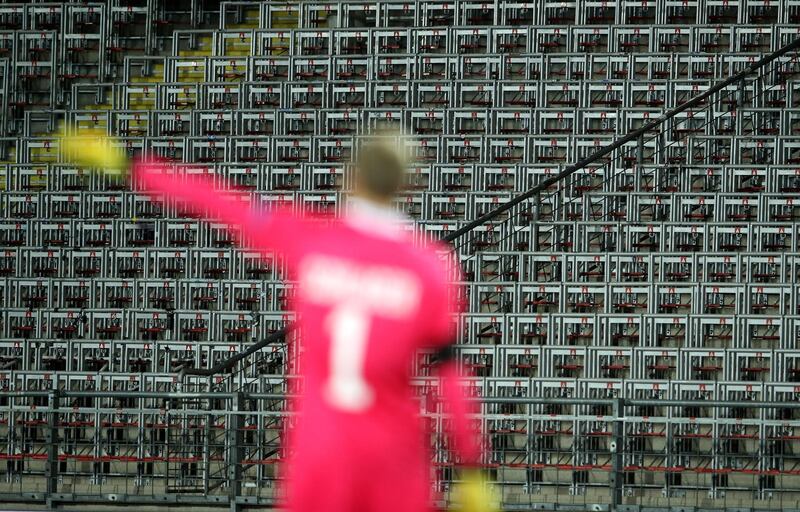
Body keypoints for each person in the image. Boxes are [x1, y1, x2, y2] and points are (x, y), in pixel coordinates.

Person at [60, 128, 498, 512]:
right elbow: (451, 376)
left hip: (322, 451)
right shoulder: (430, 267)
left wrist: (130, 164)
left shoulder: (308, 238)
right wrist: (473, 469)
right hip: (395, 457)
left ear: (350, 177)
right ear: (406, 186)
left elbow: (217, 201)